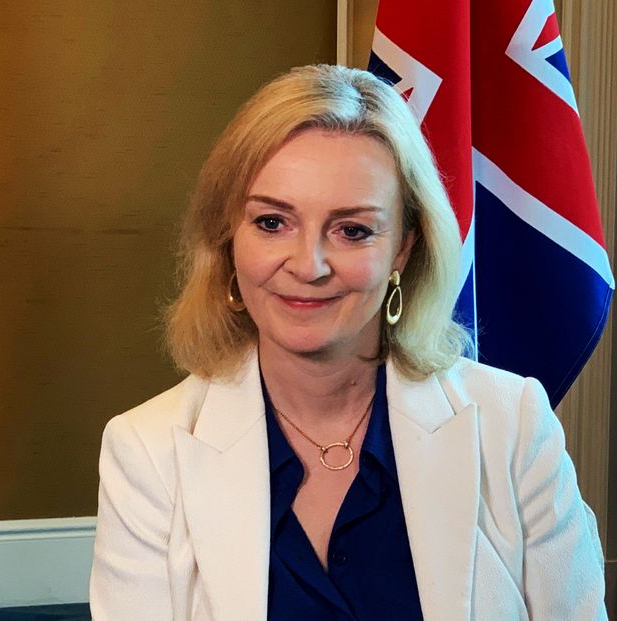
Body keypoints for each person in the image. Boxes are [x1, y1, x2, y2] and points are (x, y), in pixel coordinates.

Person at [89, 65, 606, 620]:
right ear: (228, 240)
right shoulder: (146, 449)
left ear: (404, 249)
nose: (308, 266)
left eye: (352, 230)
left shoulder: (513, 423)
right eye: (271, 222)